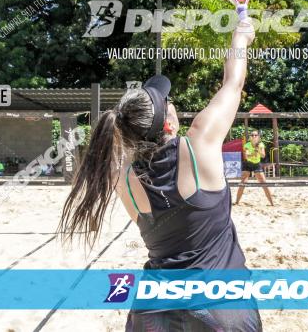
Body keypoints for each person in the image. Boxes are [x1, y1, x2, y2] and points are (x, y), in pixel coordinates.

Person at [59, 20, 262, 331]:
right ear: (168, 123)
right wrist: (240, 37)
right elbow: (233, 83)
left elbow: (123, 144)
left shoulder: (122, 178)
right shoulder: (199, 145)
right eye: (168, 103)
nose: (173, 103)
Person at [234, 130, 274, 206]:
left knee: (264, 183)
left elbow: (263, 155)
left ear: (258, 137)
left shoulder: (261, 145)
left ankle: (272, 203)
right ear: (250, 137)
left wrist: (257, 149)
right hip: (247, 164)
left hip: (256, 164)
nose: (254, 136)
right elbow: (246, 156)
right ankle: (237, 202)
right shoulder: (247, 145)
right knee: (243, 183)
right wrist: (254, 152)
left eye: (255, 135)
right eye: (252, 135)